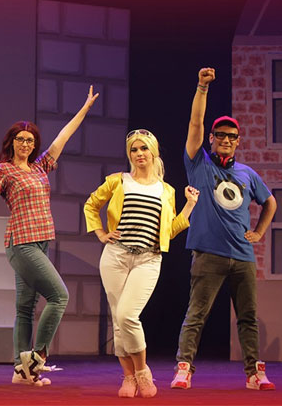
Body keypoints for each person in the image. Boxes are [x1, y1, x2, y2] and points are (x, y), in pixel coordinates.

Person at [0, 86, 99, 386]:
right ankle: (38, 357)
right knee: (60, 296)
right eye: (20, 139)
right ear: (11, 142)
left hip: (41, 242)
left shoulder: (40, 167)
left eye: (30, 140)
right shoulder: (4, 170)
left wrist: (84, 109)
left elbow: (62, 138)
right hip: (21, 244)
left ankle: (22, 371)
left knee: (24, 308)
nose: (25, 144)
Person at [171, 68, 277, 391]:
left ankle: (254, 373)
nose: (226, 140)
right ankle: (184, 368)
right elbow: (195, 124)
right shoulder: (199, 164)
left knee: (247, 317)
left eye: (232, 137)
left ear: (238, 141)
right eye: (221, 135)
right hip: (208, 254)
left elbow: (270, 202)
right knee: (196, 314)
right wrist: (202, 87)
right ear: (212, 139)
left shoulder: (247, 174)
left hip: (242, 256)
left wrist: (259, 233)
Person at [84, 129, 199, 398]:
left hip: (148, 258)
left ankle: (142, 372)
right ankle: (128, 377)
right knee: (118, 320)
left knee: (128, 315)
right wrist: (101, 233)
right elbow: (91, 205)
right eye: (134, 150)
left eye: (143, 148)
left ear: (153, 151)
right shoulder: (118, 181)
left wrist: (190, 205)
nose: (139, 154)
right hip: (116, 256)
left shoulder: (166, 190)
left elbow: (169, 231)